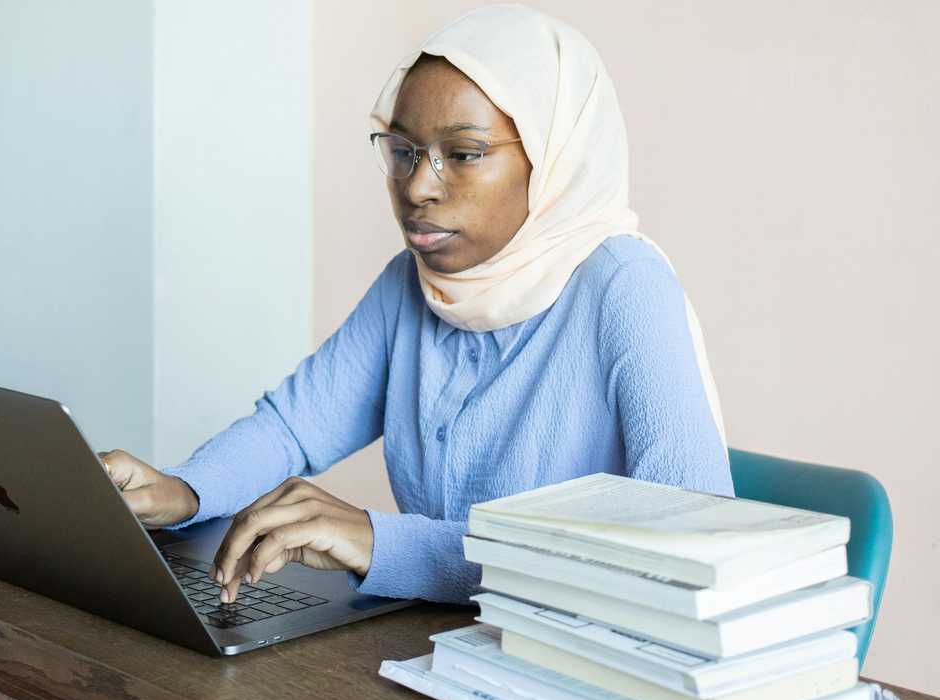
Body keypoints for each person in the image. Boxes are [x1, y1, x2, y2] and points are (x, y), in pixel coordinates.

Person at [98, 4, 734, 607]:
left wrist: (383, 542)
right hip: (441, 649)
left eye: (463, 154)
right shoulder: (412, 282)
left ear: (552, 159)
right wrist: (184, 490)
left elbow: (682, 547)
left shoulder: (623, 286)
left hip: (574, 673)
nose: (418, 187)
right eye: (401, 152)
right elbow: (293, 427)